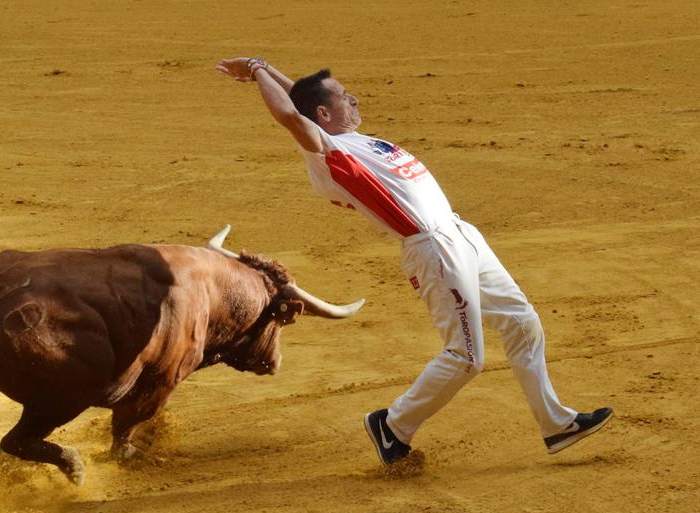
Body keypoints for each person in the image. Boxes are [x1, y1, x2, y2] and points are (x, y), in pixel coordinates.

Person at [215, 57, 613, 464]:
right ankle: (392, 425)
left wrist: (268, 73)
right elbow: (289, 113)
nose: (354, 100)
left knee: (521, 322)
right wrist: (257, 67)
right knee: (466, 358)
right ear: (324, 115)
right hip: (434, 251)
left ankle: (556, 424)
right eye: (344, 97)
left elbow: (299, 101)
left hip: (459, 234)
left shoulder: (351, 139)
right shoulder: (328, 151)